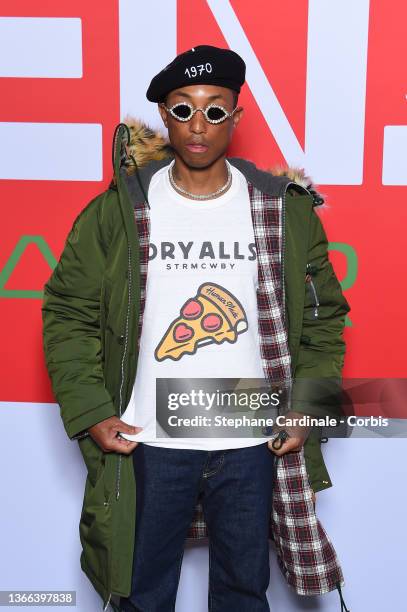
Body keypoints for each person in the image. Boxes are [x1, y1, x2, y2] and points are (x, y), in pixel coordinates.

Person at [42, 45, 350, 612]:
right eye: (183, 109)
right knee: (140, 593)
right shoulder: (121, 208)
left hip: (251, 439)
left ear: (236, 115)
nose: (198, 125)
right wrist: (90, 409)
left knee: (242, 594)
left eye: (215, 110)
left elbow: (324, 318)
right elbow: (68, 310)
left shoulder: (283, 208)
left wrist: (308, 406)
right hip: (150, 439)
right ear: (163, 114)